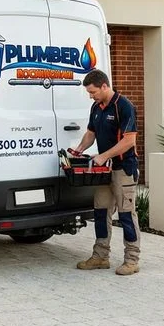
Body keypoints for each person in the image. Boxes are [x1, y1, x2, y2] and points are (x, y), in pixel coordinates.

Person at [70, 69, 140, 276]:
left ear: (104, 86)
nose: (91, 96)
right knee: (101, 212)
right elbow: (91, 133)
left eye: (93, 92)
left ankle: (132, 260)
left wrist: (103, 156)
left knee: (127, 215)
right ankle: (100, 257)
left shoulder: (123, 106)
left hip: (123, 168)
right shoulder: (96, 107)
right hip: (104, 170)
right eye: (89, 93)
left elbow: (129, 140)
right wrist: (79, 150)